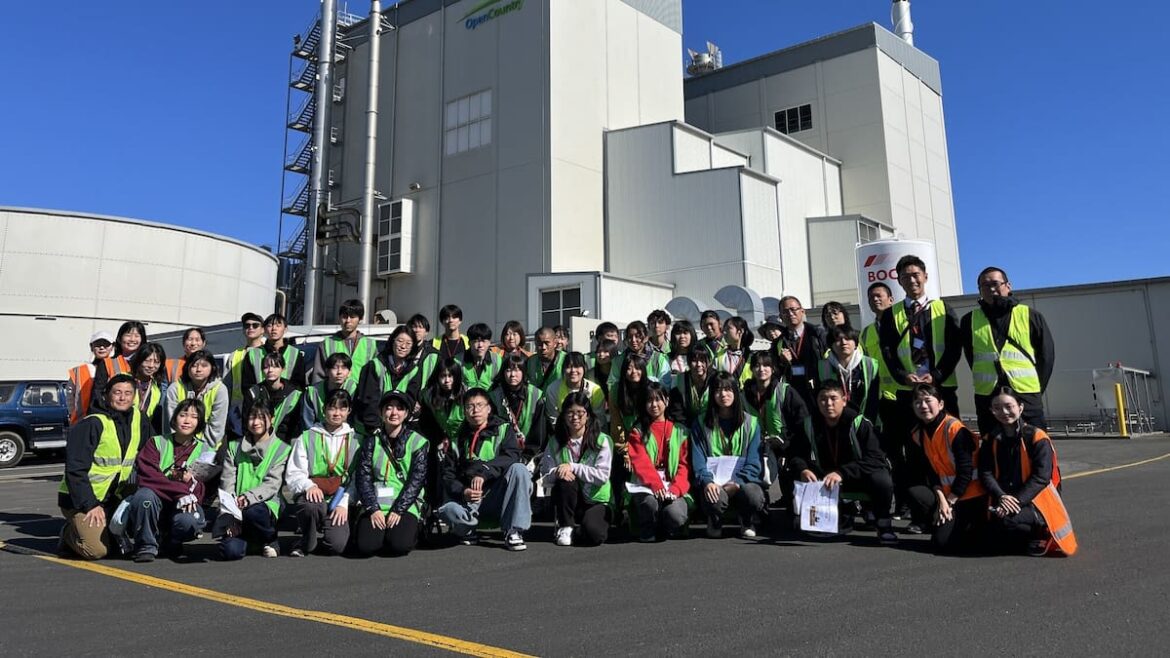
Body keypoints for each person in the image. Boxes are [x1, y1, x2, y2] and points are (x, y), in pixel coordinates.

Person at [787, 382, 898, 544]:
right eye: (823, 399)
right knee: (791, 472)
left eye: (834, 398)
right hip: (825, 478)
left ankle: (883, 524)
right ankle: (801, 516)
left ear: (844, 400)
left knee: (882, 479)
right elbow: (794, 453)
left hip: (855, 475)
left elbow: (875, 458)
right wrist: (803, 469)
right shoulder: (809, 423)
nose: (828, 403)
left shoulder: (859, 423)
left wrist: (842, 473)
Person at [58, 374, 149, 560]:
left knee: (119, 546)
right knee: (96, 551)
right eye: (117, 393)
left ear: (134, 397)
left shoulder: (139, 419)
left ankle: (105, 530)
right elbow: (75, 470)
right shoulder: (92, 423)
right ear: (106, 395)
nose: (122, 398)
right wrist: (90, 504)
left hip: (114, 498)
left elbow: (150, 452)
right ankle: (68, 535)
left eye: (128, 393)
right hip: (82, 500)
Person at [978, 387, 1077, 557]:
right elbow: (985, 473)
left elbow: (1041, 478)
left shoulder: (1037, 437)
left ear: (1020, 407)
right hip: (1006, 497)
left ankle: (1041, 529)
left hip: (1036, 500)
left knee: (1006, 524)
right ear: (991, 410)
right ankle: (1020, 535)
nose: (1004, 412)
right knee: (988, 535)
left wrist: (1016, 502)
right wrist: (1002, 497)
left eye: (1009, 406)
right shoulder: (990, 439)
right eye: (997, 408)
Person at [961, 266, 1055, 436]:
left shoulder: (1030, 315)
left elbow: (1046, 356)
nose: (991, 289)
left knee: (1035, 441)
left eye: (995, 284)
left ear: (1008, 286)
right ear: (979, 290)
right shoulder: (969, 320)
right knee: (992, 445)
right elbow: (971, 357)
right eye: (985, 285)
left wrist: (1036, 388)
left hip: (1026, 395)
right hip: (987, 395)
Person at [436, 388, 531, 551]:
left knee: (519, 469)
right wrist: (463, 491)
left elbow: (511, 456)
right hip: (471, 501)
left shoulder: (504, 430)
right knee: (446, 510)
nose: (475, 411)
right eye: (470, 406)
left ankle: (514, 531)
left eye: (480, 405)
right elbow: (448, 476)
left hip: (498, 497)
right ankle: (468, 530)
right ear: (464, 411)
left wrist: (485, 472)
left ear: (489, 409)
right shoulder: (457, 439)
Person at [123, 399, 212, 561]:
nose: (187, 420)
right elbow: (148, 477)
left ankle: (173, 541)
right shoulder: (155, 442)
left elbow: (201, 491)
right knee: (143, 497)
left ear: (199, 422)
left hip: (183, 505)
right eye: (183, 415)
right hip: (157, 500)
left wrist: (191, 483)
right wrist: (181, 491)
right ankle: (146, 546)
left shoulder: (206, 450)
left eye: (194, 417)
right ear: (175, 417)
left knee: (189, 519)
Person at [903, 384, 985, 554]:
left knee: (947, 544)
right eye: (917, 402)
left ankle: (964, 527)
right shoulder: (918, 433)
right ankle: (936, 521)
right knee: (914, 490)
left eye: (928, 401)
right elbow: (931, 472)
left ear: (940, 404)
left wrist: (950, 502)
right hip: (946, 494)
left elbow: (966, 471)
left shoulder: (955, 429)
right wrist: (941, 499)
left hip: (970, 494)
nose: (923, 406)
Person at [690, 372, 766, 539]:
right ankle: (715, 520)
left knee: (753, 495)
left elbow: (755, 463)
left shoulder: (751, 423)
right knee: (713, 498)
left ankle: (746, 519)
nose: (723, 394)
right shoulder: (700, 423)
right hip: (714, 483)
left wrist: (738, 483)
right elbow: (698, 461)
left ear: (735, 392)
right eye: (718, 390)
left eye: (728, 389)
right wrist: (707, 482)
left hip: (741, 483)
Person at [353, 391, 429, 557]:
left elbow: (416, 481)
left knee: (399, 546)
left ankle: (414, 528)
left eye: (400, 408)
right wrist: (373, 508)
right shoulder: (371, 441)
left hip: (405, 503)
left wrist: (398, 509)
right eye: (388, 408)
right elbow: (363, 478)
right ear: (381, 412)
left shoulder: (418, 441)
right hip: (377, 502)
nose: (394, 413)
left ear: (406, 414)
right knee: (366, 547)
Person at [284, 389, 359, 557]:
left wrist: (344, 503)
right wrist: (309, 486)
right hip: (314, 494)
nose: (337, 413)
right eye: (332, 408)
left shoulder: (356, 439)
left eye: (342, 408)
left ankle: (329, 533)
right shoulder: (307, 436)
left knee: (336, 546)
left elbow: (357, 478)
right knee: (311, 505)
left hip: (340, 496)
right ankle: (306, 541)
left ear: (349, 411)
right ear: (324, 410)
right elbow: (294, 472)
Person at [214, 404, 291, 560]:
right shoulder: (234, 446)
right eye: (252, 417)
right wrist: (230, 515)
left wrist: (248, 498)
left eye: (262, 417)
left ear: (272, 419)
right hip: (237, 509)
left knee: (253, 511)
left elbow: (272, 484)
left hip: (264, 507)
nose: (256, 422)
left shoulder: (282, 449)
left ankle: (270, 538)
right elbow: (227, 482)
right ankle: (255, 542)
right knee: (230, 552)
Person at [539, 392, 613, 546]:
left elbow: (602, 476)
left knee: (594, 534)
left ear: (588, 415)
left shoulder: (602, 440)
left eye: (580, 412)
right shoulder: (555, 441)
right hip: (569, 501)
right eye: (570, 412)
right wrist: (558, 472)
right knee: (565, 478)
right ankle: (566, 526)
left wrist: (572, 467)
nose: (575, 417)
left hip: (597, 501)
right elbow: (545, 475)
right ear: (563, 416)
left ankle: (579, 530)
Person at [626, 382, 691, 542]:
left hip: (673, 486)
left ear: (666, 401)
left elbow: (684, 466)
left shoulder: (681, 431)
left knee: (675, 515)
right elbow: (640, 463)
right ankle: (646, 527)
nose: (654, 405)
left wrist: (676, 489)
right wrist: (656, 485)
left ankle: (667, 525)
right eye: (649, 400)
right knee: (650, 504)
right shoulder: (638, 431)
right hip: (646, 486)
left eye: (658, 399)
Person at [742, 350, 810, 494]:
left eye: (766, 365)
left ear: (773, 369)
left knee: (790, 486)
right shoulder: (743, 396)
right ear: (751, 369)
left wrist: (787, 439)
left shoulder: (785, 391)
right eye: (757, 366)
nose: (761, 369)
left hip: (785, 445)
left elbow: (801, 420)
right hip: (756, 446)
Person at [354, 326, 421, 433]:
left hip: (399, 428)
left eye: (408, 343)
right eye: (400, 341)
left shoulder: (414, 371)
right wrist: (375, 427)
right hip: (373, 428)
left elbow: (410, 402)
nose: (403, 346)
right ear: (392, 341)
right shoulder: (375, 366)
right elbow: (368, 400)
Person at [164, 349, 229, 449]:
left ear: (212, 368)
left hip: (208, 447)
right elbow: (171, 423)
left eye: (204, 366)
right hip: (177, 445)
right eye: (194, 365)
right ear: (187, 368)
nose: (198, 369)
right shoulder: (175, 388)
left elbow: (217, 428)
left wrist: (198, 449)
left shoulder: (220, 390)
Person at [815, 327, 879, 424]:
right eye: (838, 340)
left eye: (848, 338)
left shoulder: (871, 364)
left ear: (856, 343)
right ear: (831, 345)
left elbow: (874, 399)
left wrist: (867, 425)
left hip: (866, 422)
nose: (844, 342)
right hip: (834, 424)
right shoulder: (822, 366)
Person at [489, 354, 547, 458]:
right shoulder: (494, 396)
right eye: (508, 370)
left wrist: (528, 456)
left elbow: (539, 432)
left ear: (523, 372)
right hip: (501, 452)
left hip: (529, 452)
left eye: (517, 370)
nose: (512, 375)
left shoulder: (536, 395)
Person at [311, 299, 379, 387]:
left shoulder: (370, 344)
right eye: (344, 316)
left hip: (361, 394)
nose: (348, 320)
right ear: (339, 318)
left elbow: (376, 375)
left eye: (352, 317)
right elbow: (318, 378)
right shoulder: (327, 344)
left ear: (360, 319)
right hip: (334, 394)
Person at [859, 282, 898, 433]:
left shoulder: (902, 325)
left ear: (891, 299)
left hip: (904, 393)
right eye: (871, 298)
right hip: (879, 397)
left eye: (878, 296)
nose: (875, 299)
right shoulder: (865, 333)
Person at [774, 296, 825, 410]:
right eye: (785, 311)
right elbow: (774, 371)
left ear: (802, 311)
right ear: (781, 316)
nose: (790, 314)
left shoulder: (817, 334)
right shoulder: (778, 342)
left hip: (818, 390)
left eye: (793, 309)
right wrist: (781, 362)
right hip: (792, 393)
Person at [241, 350, 305, 442]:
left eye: (275, 366)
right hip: (259, 442)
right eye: (266, 367)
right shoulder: (253, 393)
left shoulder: (295, 393)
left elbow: (296, 426)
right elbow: (246, 423)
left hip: (286, 442)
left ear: (283, 369)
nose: (270, 370)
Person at [89, 321, 147, 414]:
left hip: (143, 417)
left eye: (137, 336)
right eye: (128, 335)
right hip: (114, 416)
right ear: (119, 339)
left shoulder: (149, 364)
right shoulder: (107, 363)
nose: (132, 339)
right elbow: (97, 394)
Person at [543, 351, 606, 431]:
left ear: (584, 368)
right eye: (569, 367)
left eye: (577, 366)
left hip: (590, 432)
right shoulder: (553, 389)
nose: (573, 370)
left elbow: (599, 420)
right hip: (562, 432)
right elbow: (553, 419)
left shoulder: (595, 390)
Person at [67, 330, 114, 425]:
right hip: (83, 421)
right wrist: (73, 414)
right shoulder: (79, 371)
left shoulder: (117, 368)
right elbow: (70, 397)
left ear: (112, 347)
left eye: (106, 344)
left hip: (111, 421)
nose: (102, 347)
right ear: (91, 347)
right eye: (98, 344)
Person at [609, 321, 670, 389]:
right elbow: (613, 385)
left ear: (646, 337)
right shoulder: (618, 360)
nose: (633, 340)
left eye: (637, 336)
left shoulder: (659, 358)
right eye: (630, 337)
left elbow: (666, 385)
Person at [303, 352, 356, 430]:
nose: (339, 372)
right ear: (326, 371)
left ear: (349, 372)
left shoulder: (354, 389)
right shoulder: (312, 392)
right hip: (318, 431)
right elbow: (307, 422)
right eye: (335, 368)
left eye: (344, 368)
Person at [225, 312, 267, 408]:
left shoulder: (268, 353)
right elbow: (227, 385)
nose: (251, 328)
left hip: (262, 406)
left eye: (255, 325)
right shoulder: (235, 355)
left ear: (262, 330)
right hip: (238, 407)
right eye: (247, 325)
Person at [257, 313, 307, 389]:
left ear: (285, 329)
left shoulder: (296, 354)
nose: (274, 328)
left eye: (278, 325)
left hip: (289, 396)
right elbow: (248, 384)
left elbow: (300, 384)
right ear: (264, 330)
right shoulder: (253, 354)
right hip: (260, 395)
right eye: (269, 325)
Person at [667, 347, 713, 427]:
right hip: (686, 425)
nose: (698, 364)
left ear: (708, 362)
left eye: (702, 360)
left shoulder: (715, 380)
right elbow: (676, 410)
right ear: (688, 363)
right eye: (694, 360)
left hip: (710, 424)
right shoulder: (680, 380)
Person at [130, 343, 168, 435]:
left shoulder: (158, 387)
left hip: (145, 432)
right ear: (139, 360)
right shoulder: (124, 380)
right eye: (147, 360)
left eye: (156, 362)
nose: (151, 365)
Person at [712, 316, 753, 383]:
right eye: (724, 330)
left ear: (740, 331)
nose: (724, 332)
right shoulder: (718, 355)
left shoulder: (751, 357)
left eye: (728, 329)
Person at [462, 323, 502, 389]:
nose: (480, 345)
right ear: (469, 343)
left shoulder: (497, 360)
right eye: (476, 341)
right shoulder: (458, 360)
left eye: (484, 341)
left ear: (489, 343)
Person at [526, 326, 565, 390]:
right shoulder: (530, 362)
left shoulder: (566, 360)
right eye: (539, 343)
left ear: (555, 343)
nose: (543, 347)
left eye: (547, 343)